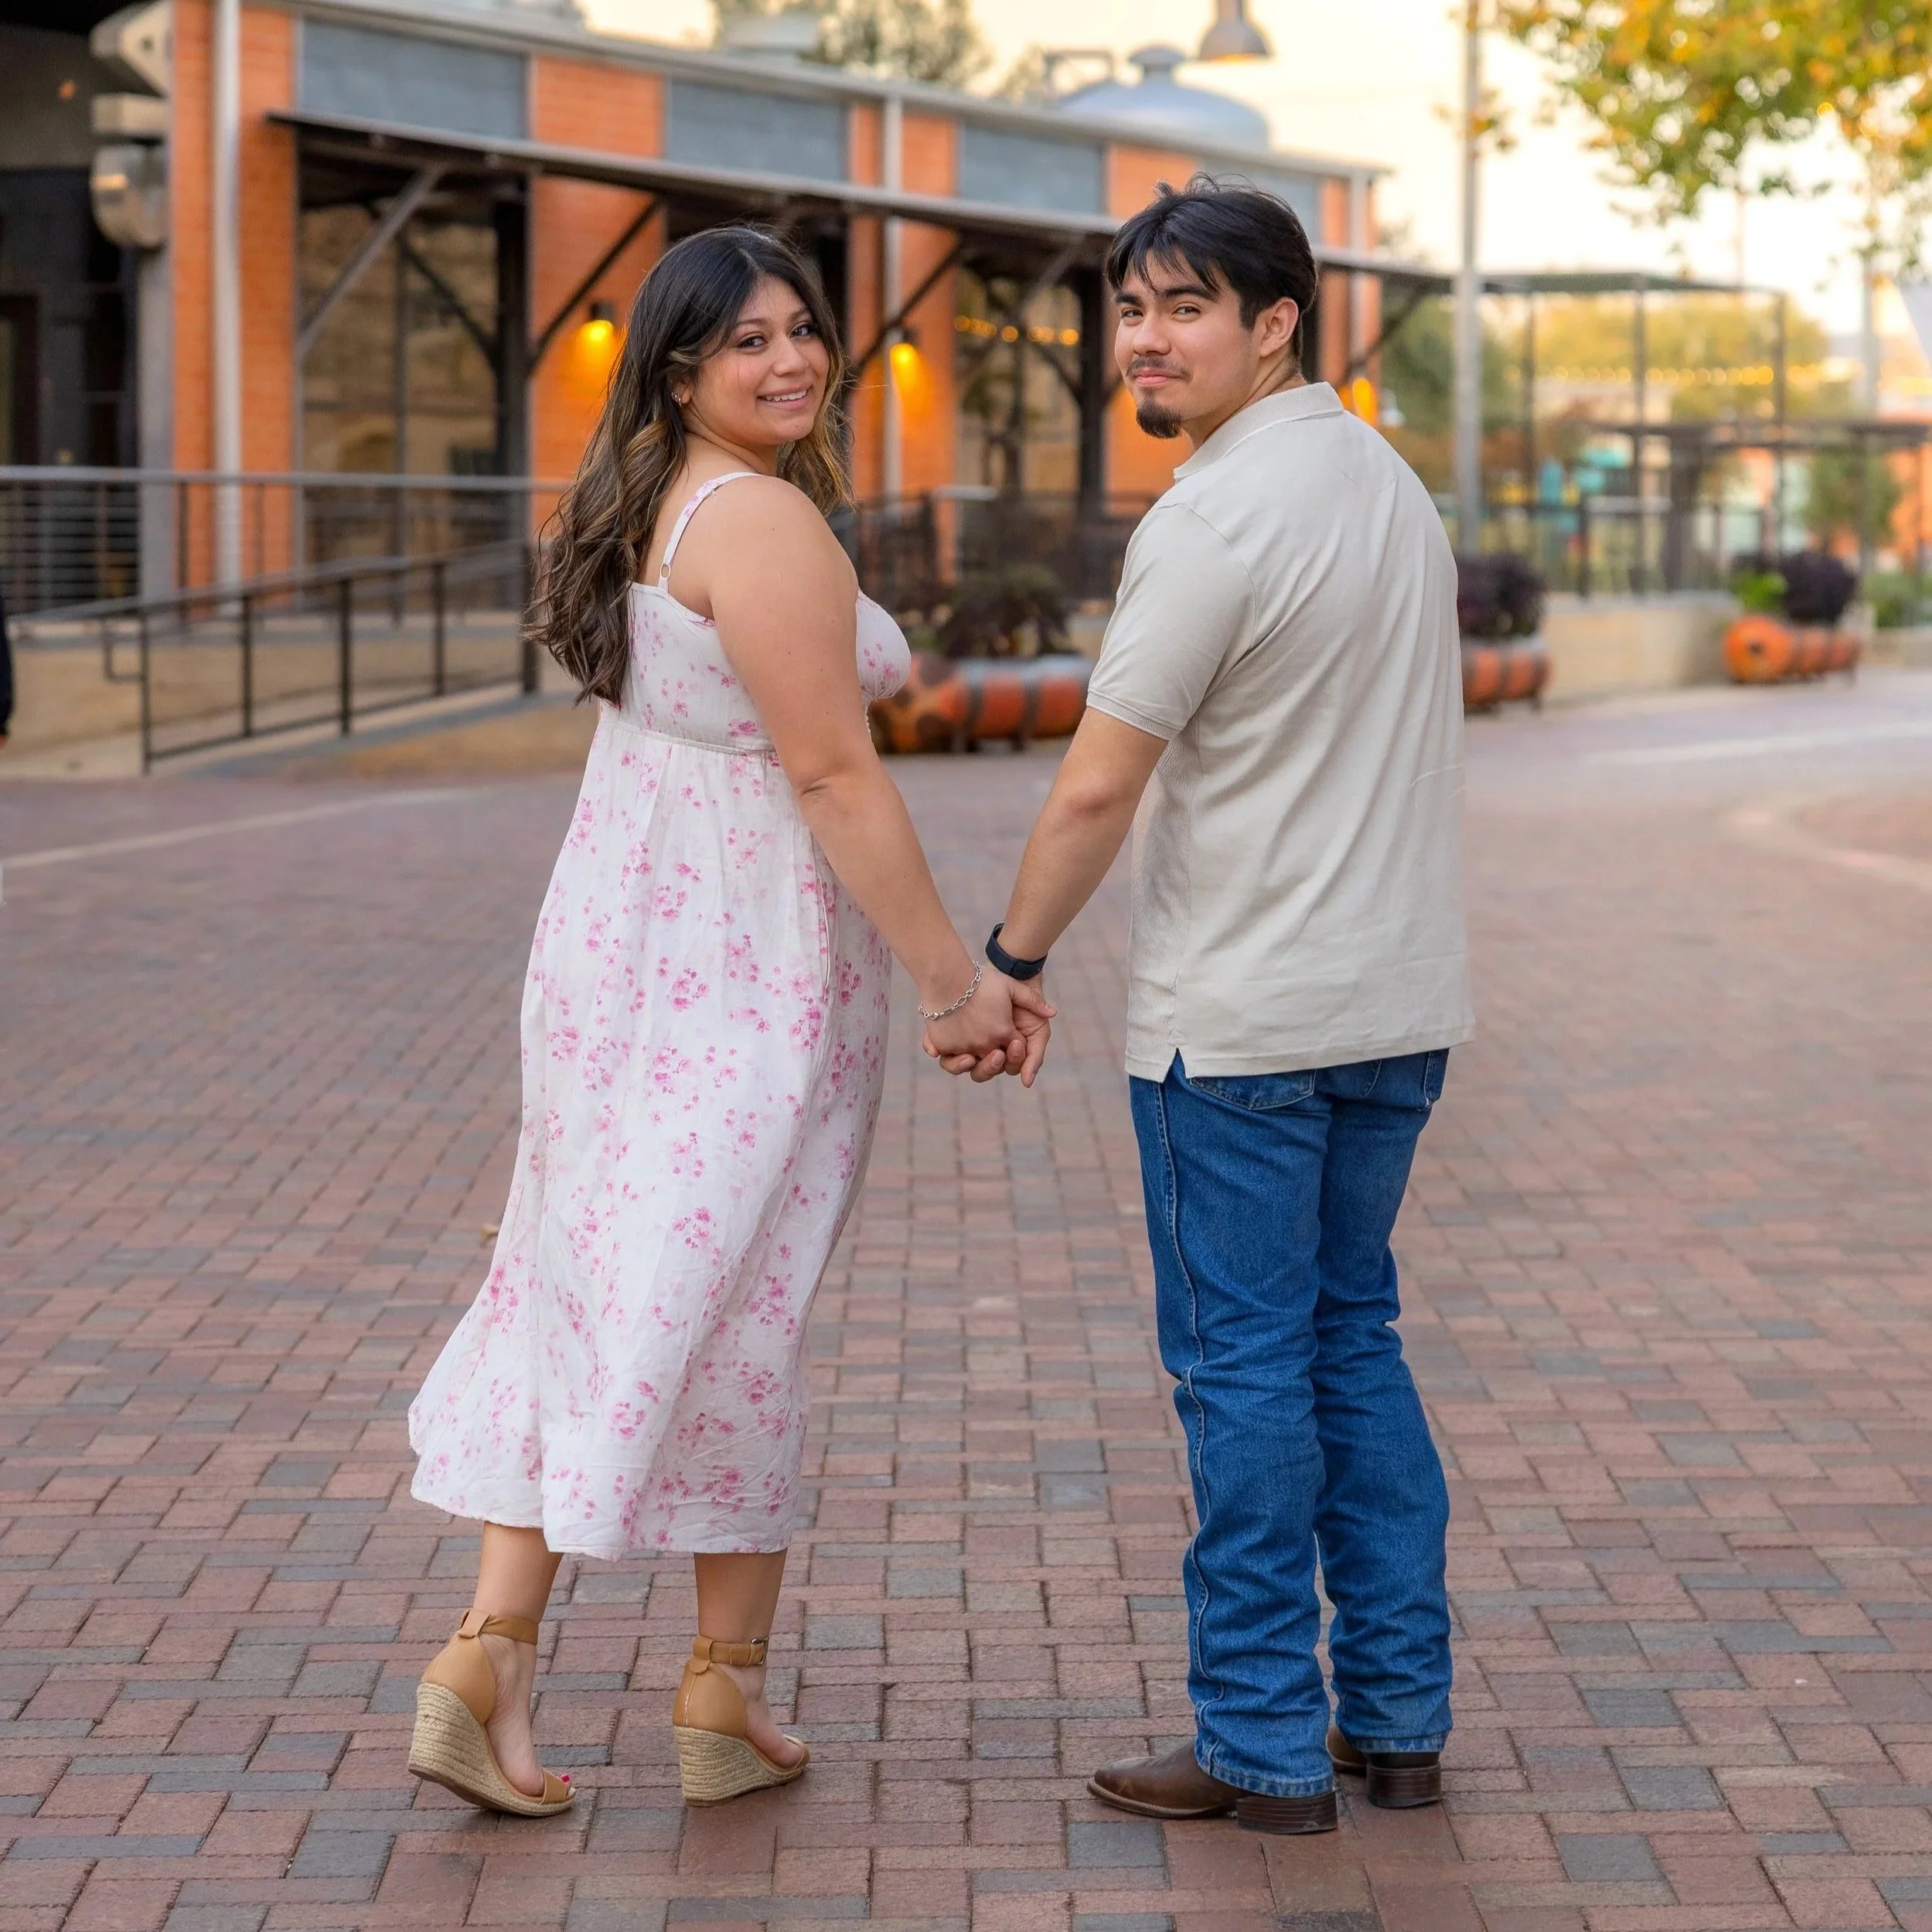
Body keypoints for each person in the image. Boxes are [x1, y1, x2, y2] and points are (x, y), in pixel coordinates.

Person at [406, 226, 1051, 1818]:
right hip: (733, 966)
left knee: (585, 1282)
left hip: (625, 950)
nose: (791, 358)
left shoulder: (645, 505)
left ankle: (512, 1657)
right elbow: (834, 773)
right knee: (732, 1307)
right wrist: (953, 983)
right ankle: (696, 1686)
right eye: (746, 340)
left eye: (803, 329)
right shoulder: (757, 520)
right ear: (680, 368)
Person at [934, 178, 1473, 1833]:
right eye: (1131, 309)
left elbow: (1098, 791)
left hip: (1240, 1026)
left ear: (1272, 324)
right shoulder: (1387, 486)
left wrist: (1006, 966)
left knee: (1244, 1371)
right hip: (1394, 1003)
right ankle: (1395, 1723)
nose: (1147, 343)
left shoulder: (1214, 518)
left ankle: (1255, 1743)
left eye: (1183, 309)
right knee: (1350, 1346)